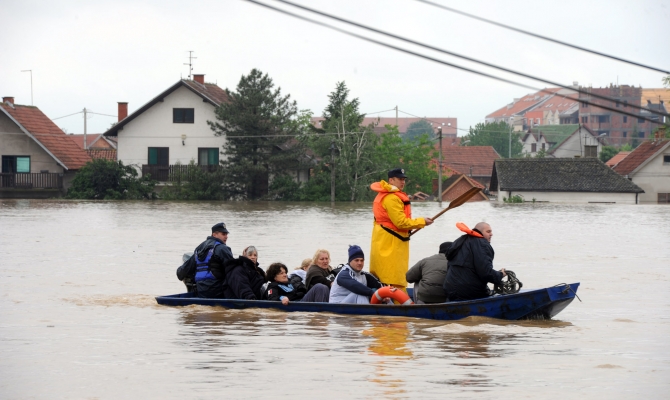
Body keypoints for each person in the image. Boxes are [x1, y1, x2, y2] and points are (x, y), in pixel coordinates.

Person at [369, 168, 433, 291]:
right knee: (393, 278)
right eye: (400, 179)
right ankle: (397, 300)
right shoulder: (392, 198)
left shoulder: (385, 195)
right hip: (391, 244)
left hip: (384, 240)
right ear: (391, 180)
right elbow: (401, 223)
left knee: (385, 276)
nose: (402, 182)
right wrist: (422, 221)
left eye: (403, 179)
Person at [442, 222, 507, 301]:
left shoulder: (460, 241)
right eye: (488, 232)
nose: (491, 234)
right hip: (469, 291)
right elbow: (485, 272)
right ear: (480, 231)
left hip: (450, 290)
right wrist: (500, 274)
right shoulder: (482, 244)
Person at [176, 222, 234, 298]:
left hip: (201, 291)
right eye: (223, 234)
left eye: (226, 234)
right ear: (214, 235)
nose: (226, 237)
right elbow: (233, 270)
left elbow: (181, 272)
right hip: (218, 291)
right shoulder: (222, 248)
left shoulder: (199, 249)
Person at [264, 263, 330, 304]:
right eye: (281, 273)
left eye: (285, 273)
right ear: (274, 277)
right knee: (319, 287)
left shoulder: (290, 282)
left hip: (301, 300)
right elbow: (272, 299)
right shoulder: (272, 286)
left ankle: (326, 308)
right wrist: (282, 298)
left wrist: (293, 296)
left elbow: (302, 291)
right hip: (296, 304)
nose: (285, 275)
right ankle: (321, 310)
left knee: (324, 287)